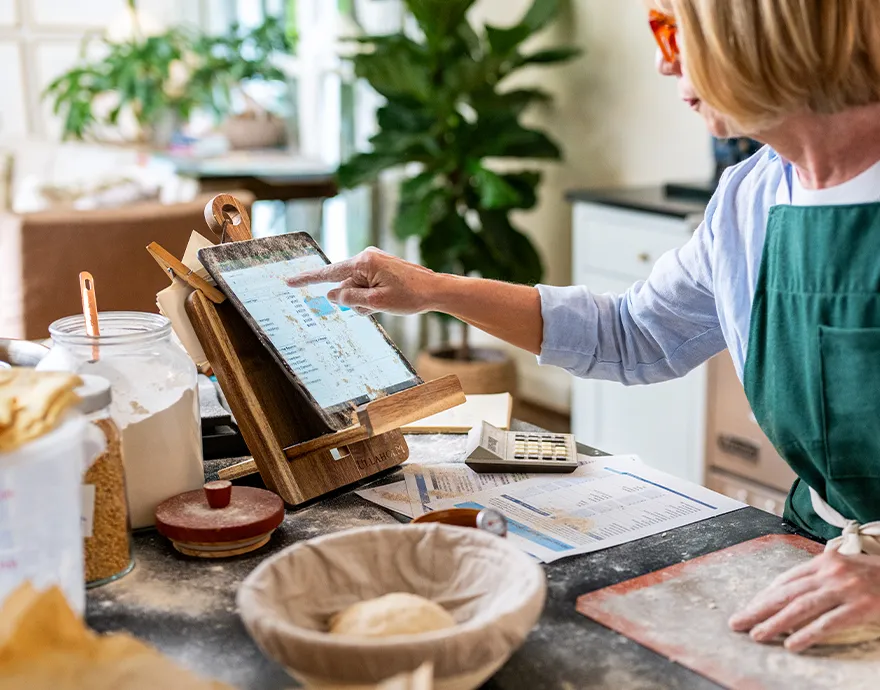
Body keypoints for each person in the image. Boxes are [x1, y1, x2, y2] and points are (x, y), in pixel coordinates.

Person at [287, 0, 880, 651]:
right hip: (815, 548)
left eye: (671, 30)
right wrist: (433, 290)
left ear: (755, 32)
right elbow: (634, 334)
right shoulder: (751, 197)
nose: (662, 62)